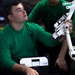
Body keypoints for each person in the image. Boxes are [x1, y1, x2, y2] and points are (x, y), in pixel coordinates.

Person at [0, 0, 72, 75]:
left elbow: (50, 41)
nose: (24, 11)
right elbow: (5, 60)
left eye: (23, 9)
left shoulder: (34, 27)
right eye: (19, 10)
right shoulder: (3, 35)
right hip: (17, 68)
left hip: (35, 66)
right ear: (11, 17)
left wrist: (64, 32)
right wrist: (24, 69)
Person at [27, 0, 75, 75]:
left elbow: (68, 33)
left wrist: (61, 57)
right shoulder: (42, 5)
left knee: (61, 68)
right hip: (49, 38)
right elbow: (28, 23)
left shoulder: (68, 7)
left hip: (66, 42)